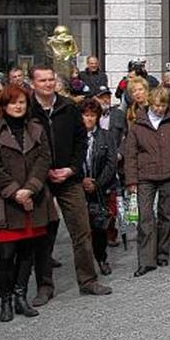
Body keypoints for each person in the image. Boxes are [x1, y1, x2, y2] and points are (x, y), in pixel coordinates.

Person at [28, 65, 111, 303]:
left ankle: (88, 280)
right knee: (43, 235)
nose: (48, 84)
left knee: (82, 231)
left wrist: (72, 169)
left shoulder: (68, 107)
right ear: (33, 83)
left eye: (51, 79)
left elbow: (81, 141)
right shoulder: (28, 109)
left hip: (70, 178)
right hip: (40, 180)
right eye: (42, 80)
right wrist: (41, 172)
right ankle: (44, 286)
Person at [0, 84, 56, 321]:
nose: (18, 106)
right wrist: (15, 192)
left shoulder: (36, 128)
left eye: (22, 102)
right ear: (3, 105)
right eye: (13, 102)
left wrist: (30, 189)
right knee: (6, 255)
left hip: (33, 199)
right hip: (5, 202)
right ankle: (6, 299)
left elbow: (44, 159)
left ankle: (21, 296)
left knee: (27, 253)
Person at [123, 87, 170, 277]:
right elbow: (130, 154)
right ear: (150, 104)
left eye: (163, 105)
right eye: (156, 105)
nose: (159, 109)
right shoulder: (138, 125)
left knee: (166, 214)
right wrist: (131, 180)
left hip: (169, 173)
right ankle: (146, 259)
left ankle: (162, 252)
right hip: (145, 176)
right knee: (145, 217)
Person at [79, 98, 118, 276]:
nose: (89, 118)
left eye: (92, 115)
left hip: (100, 188)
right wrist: (82, 180)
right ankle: (85, 264)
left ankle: (101, 258)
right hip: (79, 187)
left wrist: (97, 183)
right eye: (85, 115)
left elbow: (111, 163)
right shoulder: (74, 136)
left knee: (99, 227)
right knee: (81, 229)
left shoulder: (106, 136)